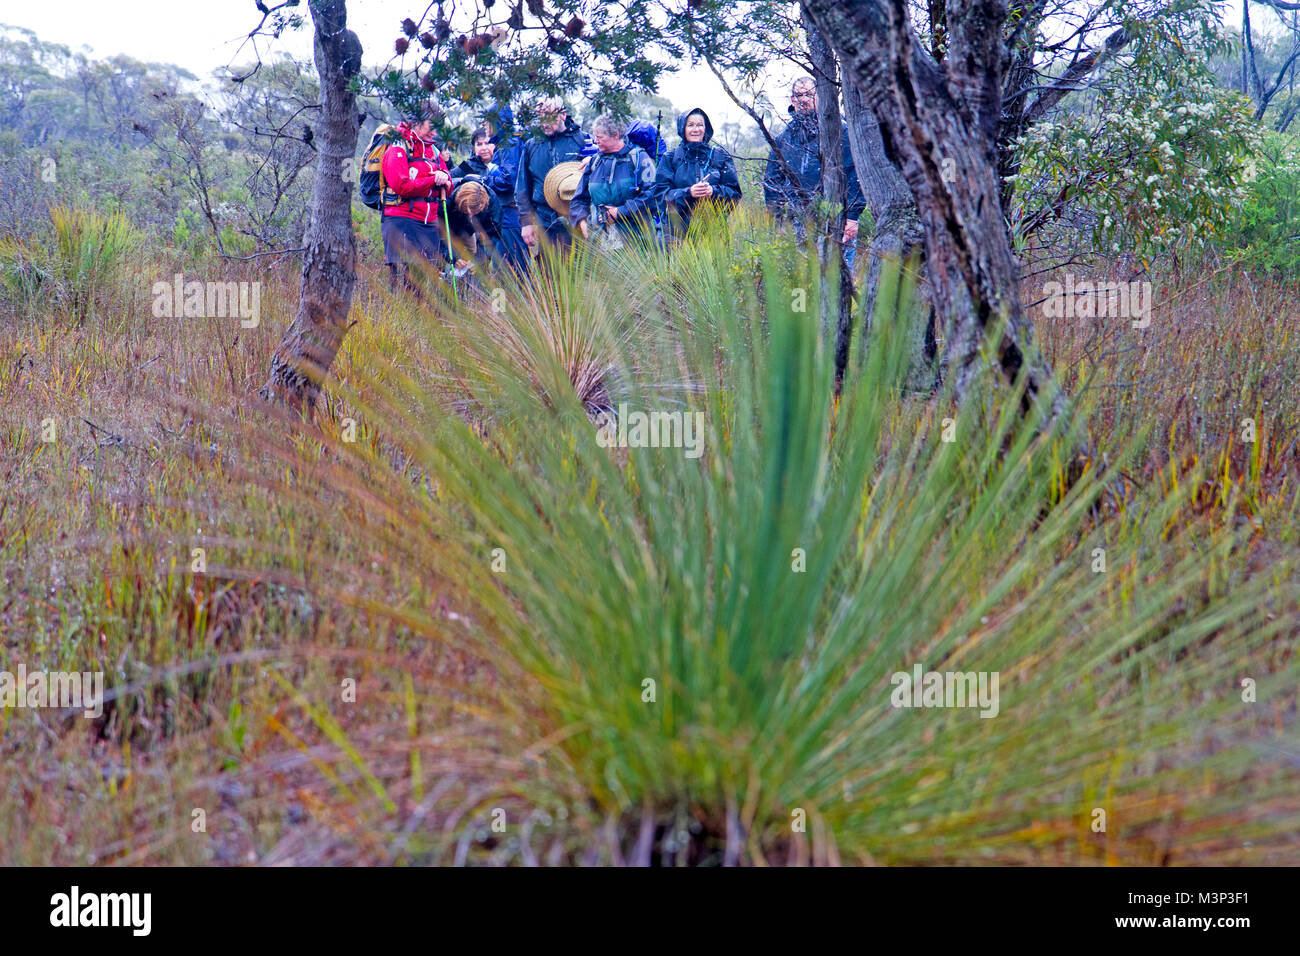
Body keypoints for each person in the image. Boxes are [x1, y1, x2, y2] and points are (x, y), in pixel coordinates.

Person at [763, 76, 865, 258]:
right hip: (796, 224)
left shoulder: (841, 132)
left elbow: (856, 175)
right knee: (800, 283)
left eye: (809, 94)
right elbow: (772, 182)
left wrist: (852, 217)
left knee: (838, 282)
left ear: (819, 97)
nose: (803, 99)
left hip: (836, 221)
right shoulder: (783, 139)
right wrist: (777, 222)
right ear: (792, 100)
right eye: (798, 95)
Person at [380, 103, 452, 290]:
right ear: (417, 122)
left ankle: (423, 319)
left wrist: (444, 180)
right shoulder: (398, 146)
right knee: (402, 283)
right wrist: (432, 180)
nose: (435, 133)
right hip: (402, 222)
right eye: (431, 126)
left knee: (425, 285)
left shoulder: (434, 151)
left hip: (429, 225)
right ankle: (399, 318)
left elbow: (447, 182)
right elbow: (401, 185)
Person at [569, 113, 659, 249]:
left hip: (637, 243)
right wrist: (581, 221)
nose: (595, 141)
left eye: (599, 137)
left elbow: (653, 195)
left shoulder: (639, 159)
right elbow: (579, 199)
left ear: (615, 135)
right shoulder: (594, 162)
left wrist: (621, 212)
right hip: (600, 244)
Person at [652, 107, 741, 241]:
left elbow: (734, 193)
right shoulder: (670, 158)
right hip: (676, 236)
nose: (696, 129)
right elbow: (660, 198)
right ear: (683, 128)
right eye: (690, 125)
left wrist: (713, 192)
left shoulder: (720, 156)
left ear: (706, 128)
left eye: (700, 125)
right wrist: (689, 193)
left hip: (714, 235)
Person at [516, 96, 587, 253]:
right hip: (544, 222)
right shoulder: (531, 145)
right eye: (541, 119)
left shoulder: (582, 140)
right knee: (547, 274)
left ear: (563, 114)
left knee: (580, 272)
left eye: (550, 118)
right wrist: (526, 222)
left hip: (576, 220)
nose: (545, 124)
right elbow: (522, 187)